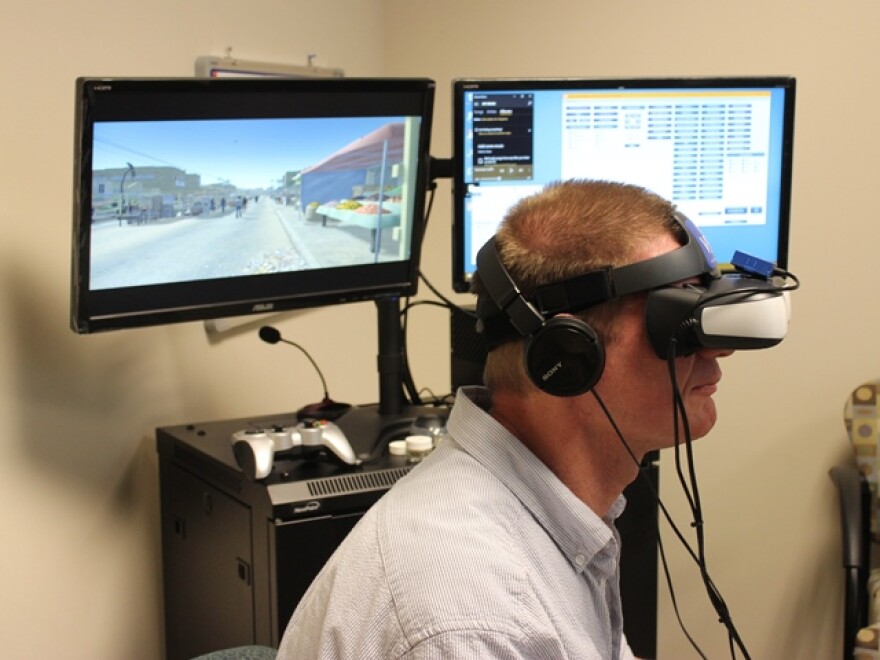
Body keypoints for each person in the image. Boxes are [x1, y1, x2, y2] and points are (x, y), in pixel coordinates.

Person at [276, 179, 735, 659]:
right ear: (571, 355)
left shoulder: (558, 515)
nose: (718, 348)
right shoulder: (477, 620)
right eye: (677, 322)